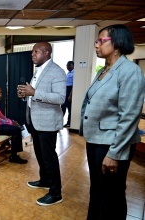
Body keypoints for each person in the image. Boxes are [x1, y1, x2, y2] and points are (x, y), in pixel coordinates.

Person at [80, 24, 145, 220]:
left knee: (112, 194)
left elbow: (129, 116)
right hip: (97, 140)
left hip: (112, 143)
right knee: (98, 190)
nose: (96, 45)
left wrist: (114, 154)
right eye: (96, 41)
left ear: (117, 44)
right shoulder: (104, 70)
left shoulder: (129, 71)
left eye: (101, 41)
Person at [17, 42, 66, 206]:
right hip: (35, 121)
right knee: (40, 155)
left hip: (48, 122)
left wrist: (34, 92)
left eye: (36, 52)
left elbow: (60, 98)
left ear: (46, 53)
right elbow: (34, 94)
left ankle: (55, 192)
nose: (32, 54)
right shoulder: (38, 70)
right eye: (32, 52)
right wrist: (25, 95)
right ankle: (45, 180)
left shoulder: (57, 71)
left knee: (49, 158)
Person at [61, 61, 74, 127]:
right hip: (65, 90)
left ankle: (69, 122)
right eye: (67, 65)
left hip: (69, 90)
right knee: (62, 107)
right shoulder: (68, 73)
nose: (67, 67)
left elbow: (74, 85)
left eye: (69, 65)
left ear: (73, 66)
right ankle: (59, 122)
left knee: (69, 108)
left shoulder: (74, 73)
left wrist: (70, 95)